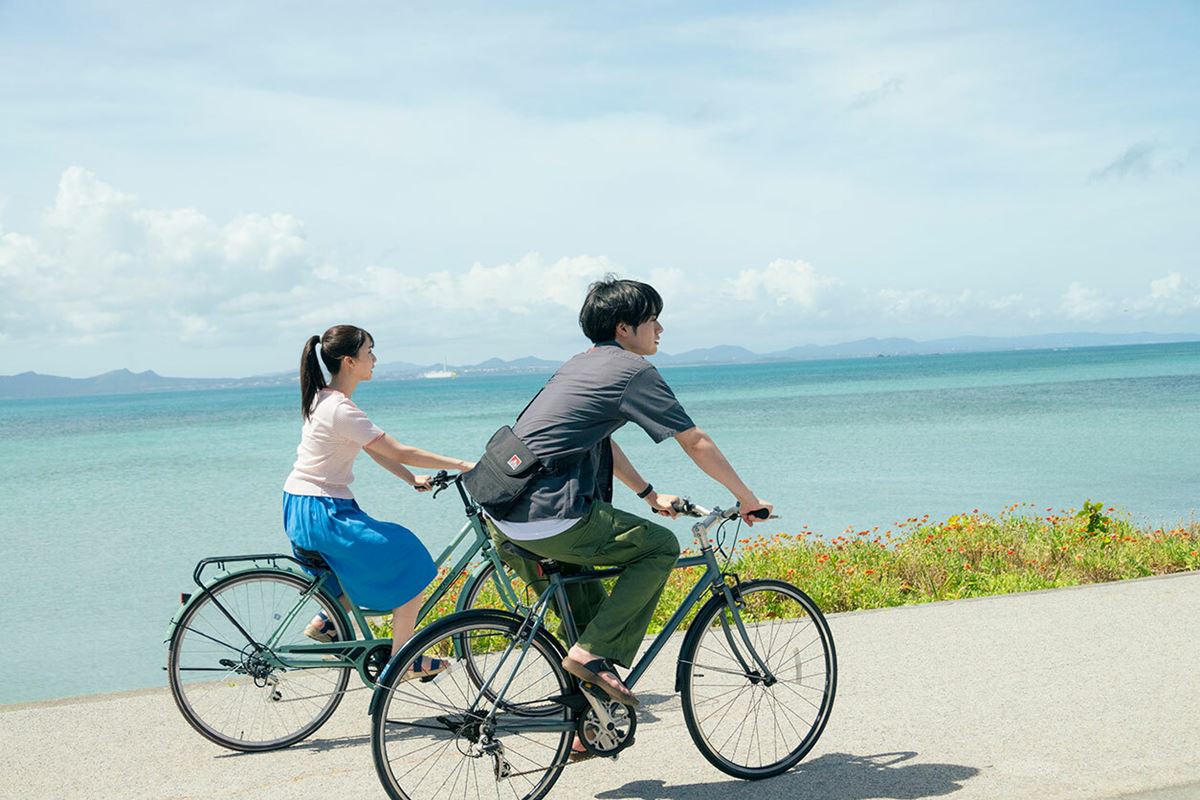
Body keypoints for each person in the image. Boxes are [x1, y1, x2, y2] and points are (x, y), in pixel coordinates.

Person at [485, 277, 773, 708]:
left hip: (504, 517)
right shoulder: (632, 371)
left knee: (590, 617)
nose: (660, 330)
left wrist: (648, 495)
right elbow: (695, 441)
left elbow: (601, 441)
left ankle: (588, 723)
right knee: (660, 547)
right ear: (624, 328)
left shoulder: (576, 366)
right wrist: (747, 499)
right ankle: (589, 655)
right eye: (653, 320)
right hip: (550, 516)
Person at [282, 324, 474, 676]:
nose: (374, 358)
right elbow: (399, 450)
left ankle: (326, 621)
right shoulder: (340, 409)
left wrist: (410, 479)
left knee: (359, 569)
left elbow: (373, 450)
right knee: (409, 554)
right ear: (349, 361)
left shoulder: (323, 399)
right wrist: (463, 464)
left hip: (302, 506)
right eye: (369, 351)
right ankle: (405, 659)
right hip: (324, 511)